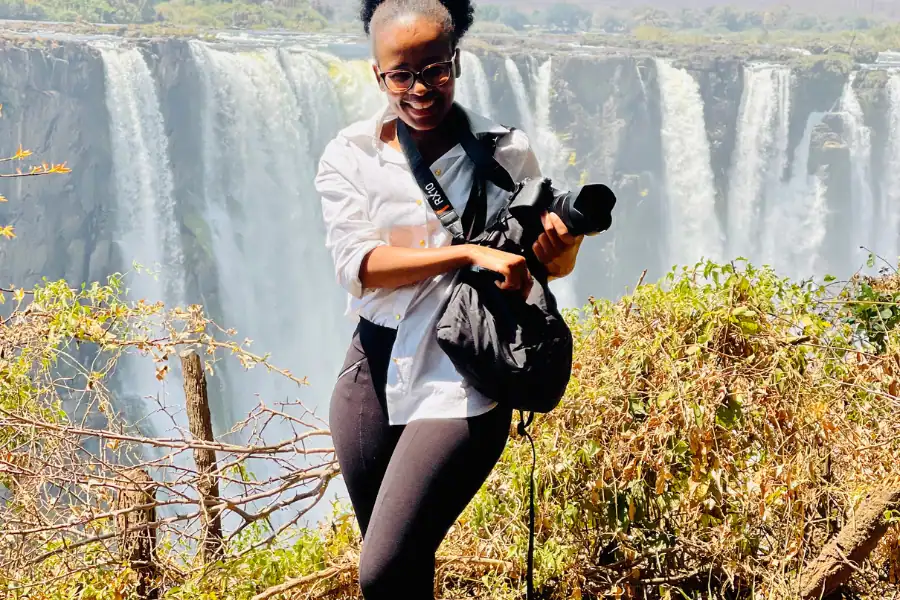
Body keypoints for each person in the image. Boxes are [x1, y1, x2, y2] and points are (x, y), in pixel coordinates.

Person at [314, 0, 583, 597]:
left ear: (455, 59)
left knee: (381, 570)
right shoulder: (350, 154)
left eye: (435, 68)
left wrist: (562, 247)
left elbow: (545, 267)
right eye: (400, 75)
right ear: (377, 73)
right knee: (401, 568)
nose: (419, 88)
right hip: (371, 368)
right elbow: (359, 266)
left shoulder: (503, 150)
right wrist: (466, 253)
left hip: (463, 369)